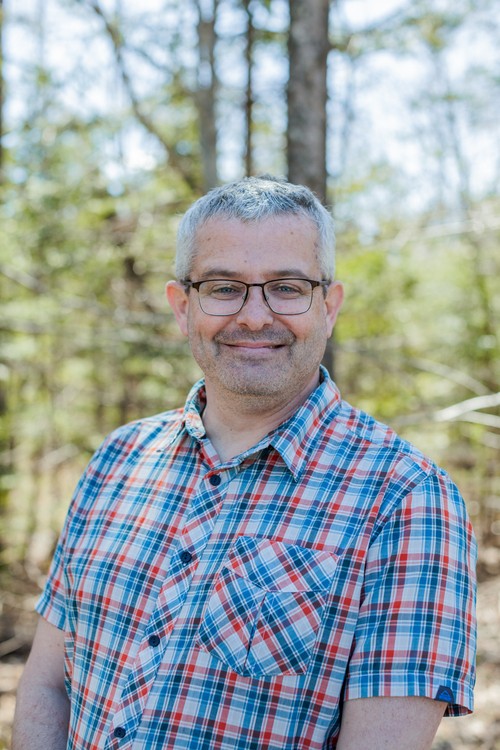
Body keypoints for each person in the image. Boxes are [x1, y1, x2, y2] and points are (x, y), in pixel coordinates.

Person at [13, 175, 476, 750]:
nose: (255, 316)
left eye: (287, 287)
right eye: (224, 287)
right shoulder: (117, 459)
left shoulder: (409, 500)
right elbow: (48, 686)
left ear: (329, 307)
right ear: (182, 307)